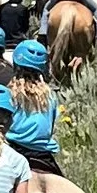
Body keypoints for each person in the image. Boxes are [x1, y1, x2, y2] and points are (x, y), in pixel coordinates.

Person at [8, 40, 63, 170]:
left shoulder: (9, 93)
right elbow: (51, 127)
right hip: (43, 154)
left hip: (14, 150)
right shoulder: (50, 96)